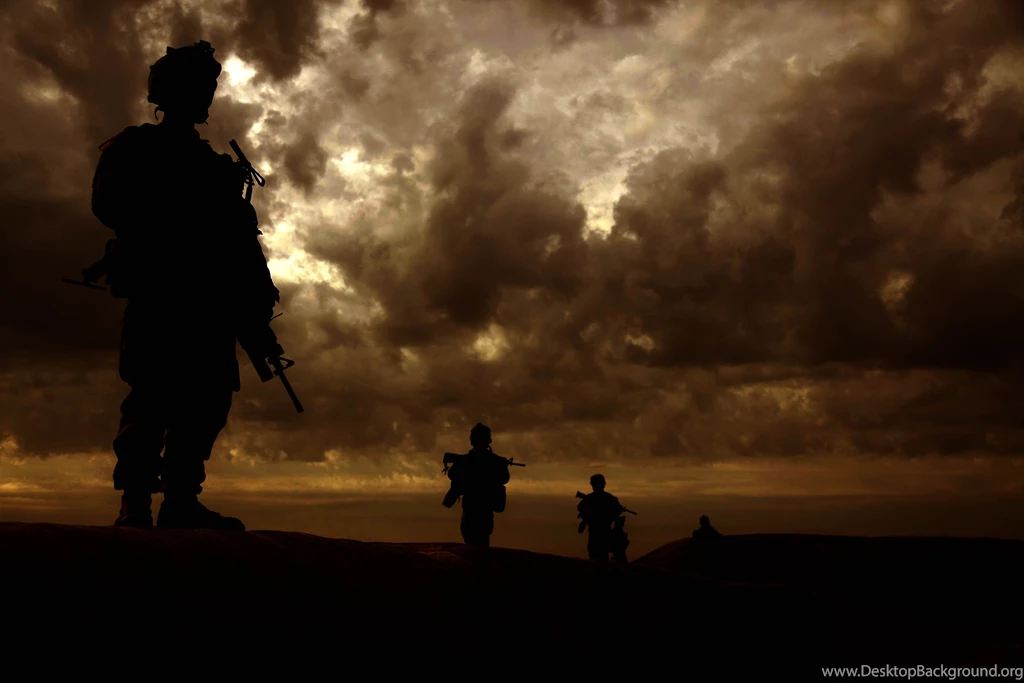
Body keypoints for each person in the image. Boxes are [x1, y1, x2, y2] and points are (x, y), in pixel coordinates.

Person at [92, 40, 280, 530]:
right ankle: (134, 502)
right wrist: (175, 220)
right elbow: (109, 207)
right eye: (201, 86)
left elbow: (242, 242)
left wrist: (257, 307)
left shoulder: (219, 168)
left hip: (210, 303)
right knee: (151, 398)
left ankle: (179, 500)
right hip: (160, 293)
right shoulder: (134, 149)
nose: (208, 96)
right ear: (171, 91)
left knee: (205, 400)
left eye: (210, 87)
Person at [442, 424, 512, 547]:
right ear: (488, 441)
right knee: (479, 542)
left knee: (474, 542)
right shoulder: (489, 461)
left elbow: (452, 475)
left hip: (475, 509)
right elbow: (504, 479)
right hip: (481, 509)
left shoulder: (469, 460)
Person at [577, 474, 630, 563]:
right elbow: (581, 508)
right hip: (599, 533)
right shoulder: (606, 498)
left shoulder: (607, 498)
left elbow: (616, 512)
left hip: (601, 533)